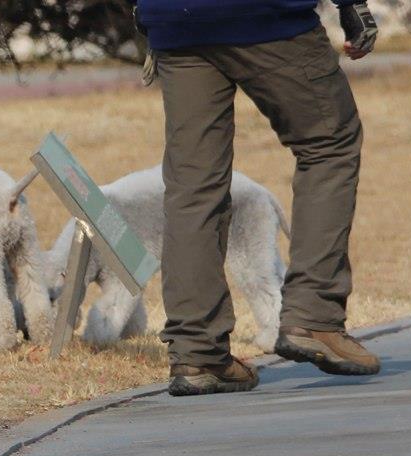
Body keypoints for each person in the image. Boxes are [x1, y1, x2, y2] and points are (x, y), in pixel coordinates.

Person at [132, 0, 382, 396]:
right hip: (265, 13)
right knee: (329, 142)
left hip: (176, 20)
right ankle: (313, 316)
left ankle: (197, 353)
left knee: (193, 184)